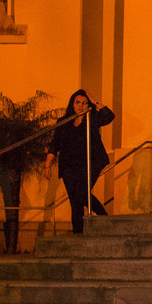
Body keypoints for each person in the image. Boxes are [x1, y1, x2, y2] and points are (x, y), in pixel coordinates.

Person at [45, 89, 114, 234]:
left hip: (91, 163)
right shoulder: (63, 122)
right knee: (74, 200)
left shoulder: (92, 118)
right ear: (72, 103)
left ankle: (106, 219)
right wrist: (47, 165)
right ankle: (78, 232)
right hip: (69, 165)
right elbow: (54, 144)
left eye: (84, 103)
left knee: (82, 193)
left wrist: (94, 100)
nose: (81, 106)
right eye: (77, 102)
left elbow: (109, 116)